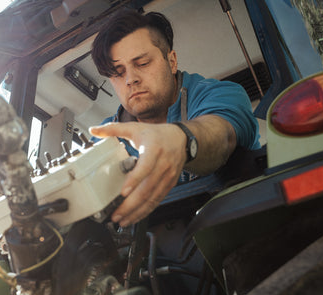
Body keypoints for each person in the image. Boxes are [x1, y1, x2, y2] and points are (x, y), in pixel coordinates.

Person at [89, 8, 261, 228]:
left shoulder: (222, 94)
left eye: (142, 63)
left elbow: (222, 133)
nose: (131, 79)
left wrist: (181, 141)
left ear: (171, 61)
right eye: (118, 72)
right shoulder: (104, 140)